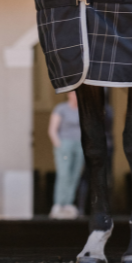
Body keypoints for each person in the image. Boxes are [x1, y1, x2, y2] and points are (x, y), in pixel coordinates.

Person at [48, 91, 84, 219]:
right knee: (64, 174)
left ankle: (68, 203)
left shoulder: (83, 109)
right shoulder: (61, 108)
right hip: (65, 143)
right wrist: (58, 144)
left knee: (75, 174)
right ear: (69, 94)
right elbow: (52, 129)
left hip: (79, 144)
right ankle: (59, 203)